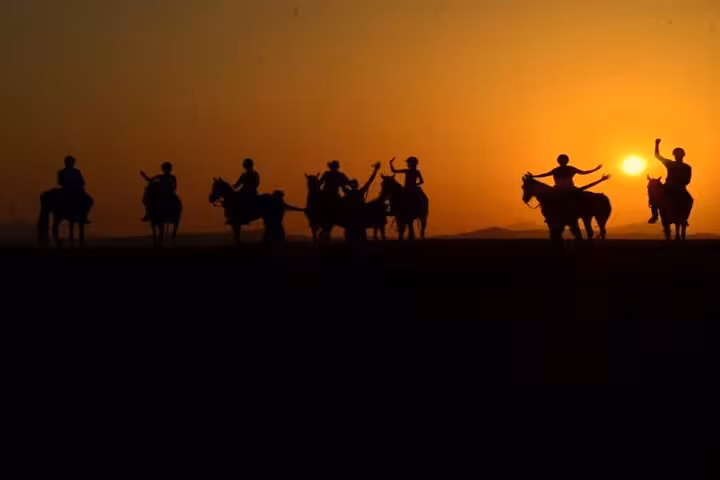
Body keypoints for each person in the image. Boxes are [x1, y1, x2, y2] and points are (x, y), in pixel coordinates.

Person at [649, 138, 692, 224]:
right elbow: (657, 155)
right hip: (671, 187)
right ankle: (655, 215)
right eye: (676, 155)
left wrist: (680, 183)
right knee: (654, 196)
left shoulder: (685, 167)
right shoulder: (673, 164)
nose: (677, 157)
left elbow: (687, 180)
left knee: (690, 200)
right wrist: (657, 144)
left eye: (678, 155)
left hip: (678, 188)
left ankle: (684, 218)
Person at [342, 163, 381, 241]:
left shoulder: (359, 191)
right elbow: (369, 181)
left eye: (353, 183)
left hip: (358, 216)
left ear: (355, 185)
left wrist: (375, 171)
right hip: (353, 216)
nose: (352, 185)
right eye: (352, 183)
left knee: (361, 234)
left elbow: (370, 181)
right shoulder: (350, 192)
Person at [527, 155, 602, 190]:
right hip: (563, 189)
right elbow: (584, 172)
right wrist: (534, 176)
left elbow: (544, 174)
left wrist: (534, 176)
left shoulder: (558, 169)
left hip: (566, 189)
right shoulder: (559, 169)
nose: (561, 162)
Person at [57, 155, 93, 221]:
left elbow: (81, 182)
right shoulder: (62, 172)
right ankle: (78, 215)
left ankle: (83, 215)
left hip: (74, 190)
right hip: (68, 191)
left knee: (90, 200)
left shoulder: (76, 172)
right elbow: (61, 183)